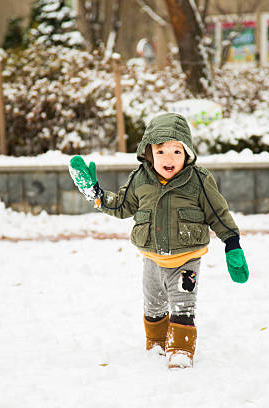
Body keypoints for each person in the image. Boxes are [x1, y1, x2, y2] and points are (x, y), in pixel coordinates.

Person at [68, 112, 249, 369]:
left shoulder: (198, 180)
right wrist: (96, 194)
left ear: (187, 154)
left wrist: (232, 244)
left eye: (177, 152)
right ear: (148, 152)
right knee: (153, 305)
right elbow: (121, 205)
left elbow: (218, 214)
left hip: (186, 260)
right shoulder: (139, 179)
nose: (169, 158)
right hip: (151, 259)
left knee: (183, 304)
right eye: (162, 151)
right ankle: (156, 343)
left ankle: (181, 349)